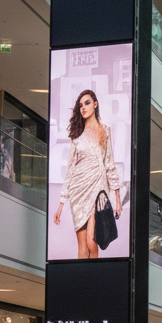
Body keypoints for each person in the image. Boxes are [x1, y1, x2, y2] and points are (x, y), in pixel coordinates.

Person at [52, 89, 123, 259]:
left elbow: (109, 164)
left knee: (92, 243)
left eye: (87, 103)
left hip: (98, 191)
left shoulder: (105, 131)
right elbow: (70, 169)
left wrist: (117, 200)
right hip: (79, 191)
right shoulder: (77, 135)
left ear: (95, 104)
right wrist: (61, 204)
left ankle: (95, 281)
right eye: (80, 105)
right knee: (83, 247)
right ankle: (83, 283)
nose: (83, 107)